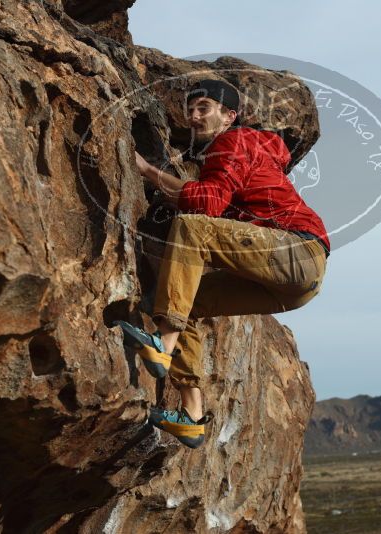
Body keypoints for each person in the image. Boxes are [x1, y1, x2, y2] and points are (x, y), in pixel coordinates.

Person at [115, 79, 329, 449]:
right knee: (183, 302)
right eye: (191, 109)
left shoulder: (235, 141)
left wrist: (147, 171)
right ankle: (193, 416)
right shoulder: (246, 148)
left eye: (205, 108)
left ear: (229, 115)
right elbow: (213, 200)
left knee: (192, 228)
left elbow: (207, 204)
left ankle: (162, 347)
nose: (194, 116)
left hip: (298, 251)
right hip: (294, 280)